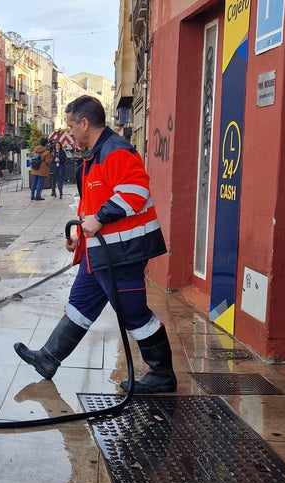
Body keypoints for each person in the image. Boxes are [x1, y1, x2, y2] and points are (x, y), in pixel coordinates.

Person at [14, 95, 175, 394]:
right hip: (100, 252)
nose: (70, 132)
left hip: (122, 254)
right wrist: (79, 235)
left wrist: (99, 219)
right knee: (80, 305)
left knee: (133, 313)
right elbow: (93, 204)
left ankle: (162, 374)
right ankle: (48, 359)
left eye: (71, 126)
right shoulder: (94, 156)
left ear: (85, 123)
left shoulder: (116, 152)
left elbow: (135, 191)